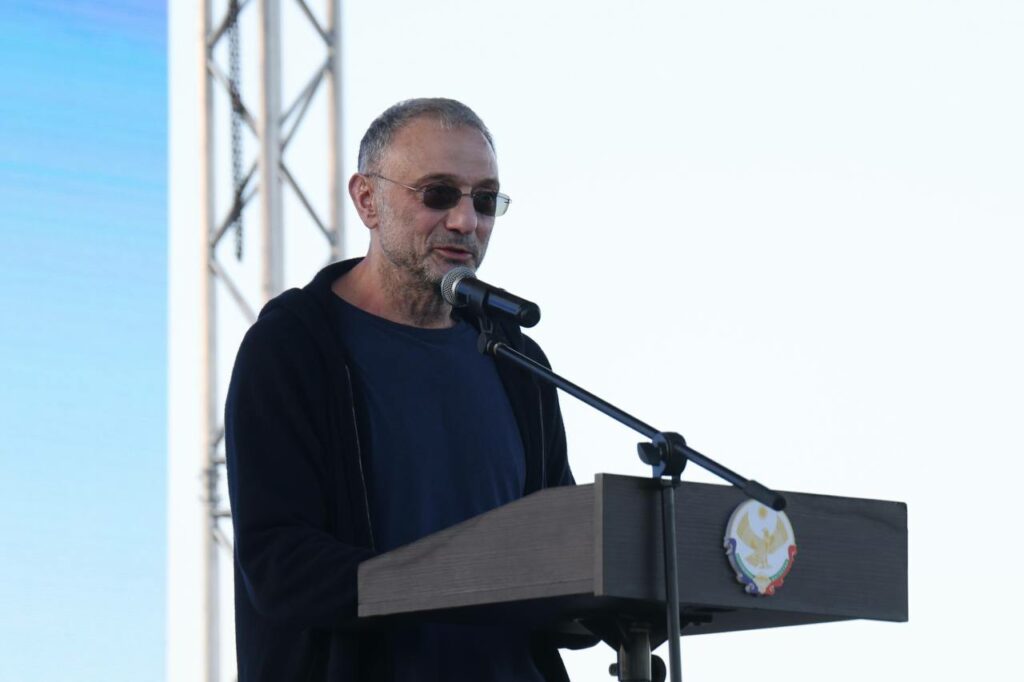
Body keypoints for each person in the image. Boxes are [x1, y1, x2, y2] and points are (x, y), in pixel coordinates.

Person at [225, 98, 577, 682]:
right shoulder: (293, 348)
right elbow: (281, 566)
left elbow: (558, 548)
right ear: (367, 199)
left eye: (484, 200)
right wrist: (461, 578)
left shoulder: (516, 360)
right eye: (438, 194)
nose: (466, 222)